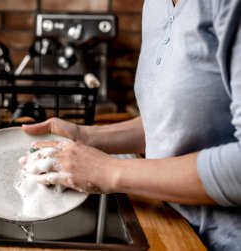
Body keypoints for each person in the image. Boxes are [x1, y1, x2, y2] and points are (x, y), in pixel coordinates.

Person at [19, 0, 241, 250]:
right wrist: (86, 136)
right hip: (171, 224)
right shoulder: (155, 4)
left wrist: (109, 171)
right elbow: (174, 122)